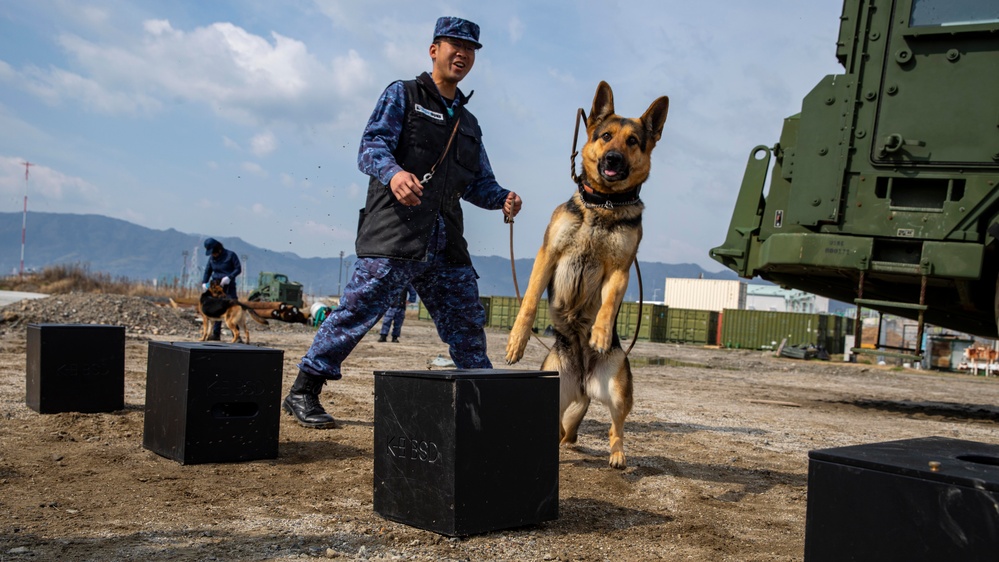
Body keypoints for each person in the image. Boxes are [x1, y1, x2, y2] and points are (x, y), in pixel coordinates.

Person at [282, 16, 522, 429]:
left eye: (470, 50)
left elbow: (478, 184)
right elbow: (370, 146)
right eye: (453, 46)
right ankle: (304, 390)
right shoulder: (404, 95)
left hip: (446, 242)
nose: (461, 54)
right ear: (434, 50)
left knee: (467, 325)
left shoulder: (469, 124)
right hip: (395, 233)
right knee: (356, 313)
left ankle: (483, 405)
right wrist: (394, 174)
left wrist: (503, 198)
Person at [201, 237, 242, 341]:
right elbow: (207, 271)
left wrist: (230, 277)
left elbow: (238, 268)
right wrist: (204, 283)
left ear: (218, 249)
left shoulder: (230, 255)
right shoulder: (211, 259)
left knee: (232, 310)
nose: (213, 255)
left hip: (229, 287)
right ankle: (215, 334)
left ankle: (236, 336)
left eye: (214, 252)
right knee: (217, 309)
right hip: (216, 288)